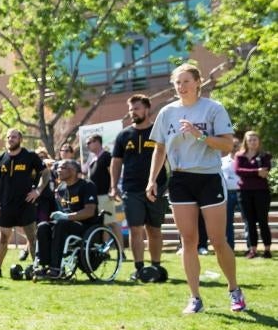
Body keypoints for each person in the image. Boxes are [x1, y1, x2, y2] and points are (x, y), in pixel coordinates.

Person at [146, 63, 245, 313]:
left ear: (198, 82)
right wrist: (152, 180)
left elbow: (227, 146)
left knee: (217, 240)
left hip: (209, 177)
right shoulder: (167, 112)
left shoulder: (213, 109)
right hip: (180, 179)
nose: (181, 87)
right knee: (188, 240)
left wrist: (199, 135)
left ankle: (234, 290)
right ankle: (195, 298)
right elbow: (159, 149)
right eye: (177, 83)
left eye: (186, 81)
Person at [110, 94, 169, 279]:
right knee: (136, 229)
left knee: (154, 229)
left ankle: (156, 267)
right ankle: (139, 268)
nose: (132, 112)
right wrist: (113, 186)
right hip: (131, 189)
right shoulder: (123, 135)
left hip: (156, 188)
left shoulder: (159, 132)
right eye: (130, 109)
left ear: (146, 109)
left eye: (136, 108)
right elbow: (116, 162)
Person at [0, 129, 48, 278]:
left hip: (26, 203)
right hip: (6, 205)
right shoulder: (0, 159)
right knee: (3, 238)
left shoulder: (30, 156)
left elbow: (45, 173)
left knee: (32, 237)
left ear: (20, 139)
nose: (10, 139)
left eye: (14, 137)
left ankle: (37, 269)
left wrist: (38, 191)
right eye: (8, 137)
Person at [36, 160, 99, 277]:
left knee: (61, 225)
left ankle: (56, 268)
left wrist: (66, 217)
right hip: (66, 224)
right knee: (43, 226)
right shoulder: (61, 189)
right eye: (58, 168)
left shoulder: (87, 185)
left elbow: (90, 211)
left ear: (74, 171)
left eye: (63, 167)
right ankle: (45, 266)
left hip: (84, 226)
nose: (58, 170)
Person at [235, 131, 272, 259]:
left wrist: (250, 172)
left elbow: (266, 172)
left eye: (255, 139)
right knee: (249, 222)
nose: (252, 142)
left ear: (259, 141)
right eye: (250, 140)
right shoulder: (239, 156)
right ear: (246, 141)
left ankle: (267, 250)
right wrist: (256, 171)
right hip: (244, 192)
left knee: (263, 221)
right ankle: (253, 250)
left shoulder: (265, 156)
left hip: (262, 192)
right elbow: (238, 171)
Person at [85, 134, 121, 244]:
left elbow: (112, 173)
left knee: (112, 222)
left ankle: (121, 251)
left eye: (89, 142)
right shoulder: (92, 159)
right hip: (95, 197)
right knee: (103, 223)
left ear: (97, 142)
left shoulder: (107, 156)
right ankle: (104, 251)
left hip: (105, 195)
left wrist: (112, 189)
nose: (88, 145)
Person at [220, 140, 241, 251]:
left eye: (236, 145)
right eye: (232, 145)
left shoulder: (244, 160)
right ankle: (230, 247)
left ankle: (251, 248)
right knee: (227, 222)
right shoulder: (222, 161)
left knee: (249, 221)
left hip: (242, 192)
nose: (234, 147)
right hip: (227, 193)